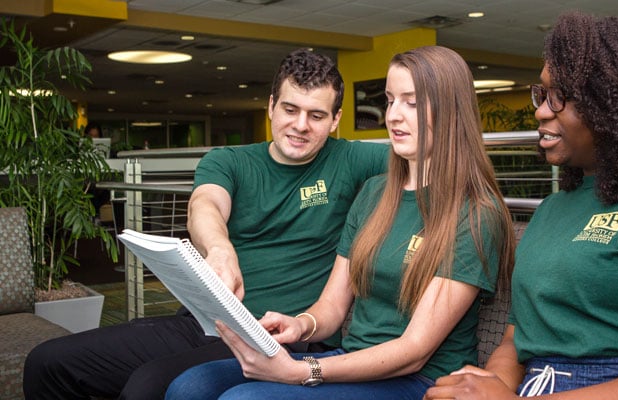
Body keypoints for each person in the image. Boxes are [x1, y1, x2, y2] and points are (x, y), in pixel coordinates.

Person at [23, 49, 389, 400]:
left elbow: (431, 152)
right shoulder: (229, 161)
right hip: (204, 322)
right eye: (290, 109)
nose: (300, 125)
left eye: (316, 115)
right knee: (46, 362)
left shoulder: (352, 159)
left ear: (336, 119)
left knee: (149, 387)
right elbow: (206, 204)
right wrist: (218, 247)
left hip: (280, 335)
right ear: (271, 106)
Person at [164, 45, 516, 400]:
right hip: (352, 361)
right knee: (188, 387)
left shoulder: (474, 213)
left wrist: (303, 371)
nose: (393, 115)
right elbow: (331, 309)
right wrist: (299, 325)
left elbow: (414, 351)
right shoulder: (375, 193)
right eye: (390, 100)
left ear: (451, 111)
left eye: (411, 102)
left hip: (419, 381)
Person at [424, 12, 618, 400]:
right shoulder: (554, 208)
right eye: (542, 94)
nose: (541, 111)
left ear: (617, 102)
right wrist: (489, 386)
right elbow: (517, 340)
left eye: (560, 96)